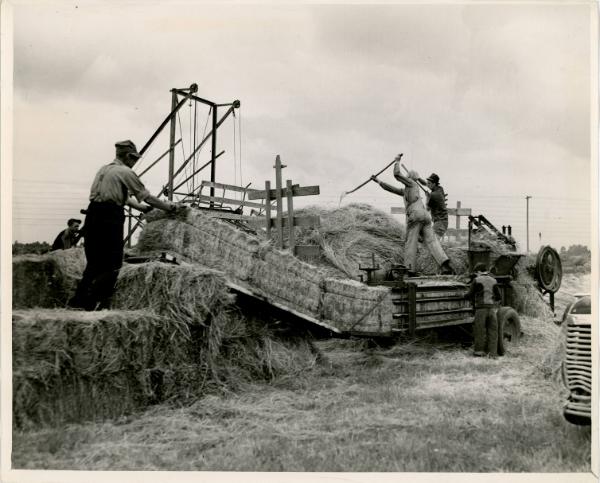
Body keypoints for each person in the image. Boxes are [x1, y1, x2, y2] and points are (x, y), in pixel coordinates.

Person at [69, 140, 178, 311]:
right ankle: (99, 303)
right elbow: (147, 196)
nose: (135, 162)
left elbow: (124, 198)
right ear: (128, 156)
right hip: (109, 217)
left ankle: (79, 301)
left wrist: (140, 208)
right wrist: (169, 207)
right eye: (134, 159)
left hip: (93, 215)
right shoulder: (125, 172)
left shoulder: (103, 170)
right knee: (113, 263)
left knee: (94, 261)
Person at [371, 159, 454, 275]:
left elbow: (397, 175)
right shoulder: (408, 190)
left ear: (409, 178)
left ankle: (409, 269)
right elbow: (391, 189)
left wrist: (397, 162)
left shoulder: (411, 183)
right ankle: (445, 265)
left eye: (407, 176)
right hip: (425, 217)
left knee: (411, 242)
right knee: (432, 241)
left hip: (415, 216)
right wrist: (378, 181)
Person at [466, 263, 503, 357]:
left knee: (480, 330)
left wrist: (463, 296)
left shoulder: (476, 280)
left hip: (481, 309)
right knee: (493, 331)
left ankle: (479, 352)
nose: (476, 274)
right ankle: (493, 354)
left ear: (478, 271)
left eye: (476, 272)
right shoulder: (494, 280)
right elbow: (499, 297)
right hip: (491, 309)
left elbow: (470, 294)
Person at [419, 173, 448, 239]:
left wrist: (427, 197)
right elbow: (426, 184)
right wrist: (418, 179)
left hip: (440, 224)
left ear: (434, 184)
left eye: (429, 183)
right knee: (431, 242)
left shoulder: (434, 195)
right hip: (442, 222)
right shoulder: (440, 188)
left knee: (431, 242)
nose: (427, 184)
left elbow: (427, 208)